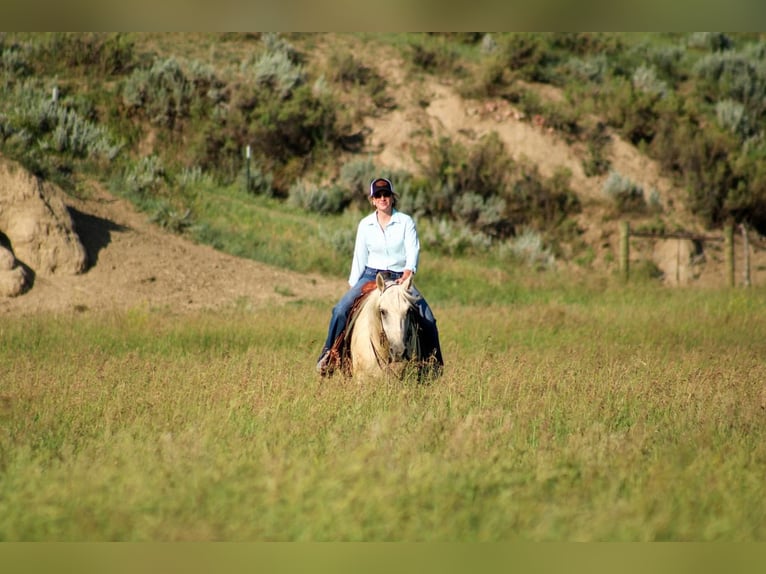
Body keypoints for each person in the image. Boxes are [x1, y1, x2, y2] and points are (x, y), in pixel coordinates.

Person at [316, 176, 443, 376]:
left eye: (386, 194)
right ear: (373, 200)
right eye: (378, 195)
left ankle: (433, 365)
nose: (383, 198)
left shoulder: (405, 222)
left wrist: (409, 271)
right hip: (370, 276)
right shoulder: (365, 225)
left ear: (392, 198)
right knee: (340, 310)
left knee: (428, 318)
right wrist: (353, 287)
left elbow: (413, 250)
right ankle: (329, 356)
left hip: (400, 279)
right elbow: (359, 256)